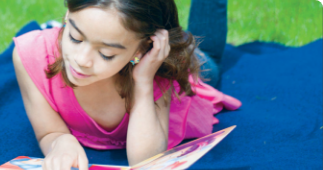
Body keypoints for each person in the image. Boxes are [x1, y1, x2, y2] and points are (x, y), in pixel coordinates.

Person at [12, 0, 241, 169]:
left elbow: (145, 161)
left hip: (177, 66)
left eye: (106, 54)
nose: (82, 61)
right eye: (75, 37)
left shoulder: (156, 69)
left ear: (142, 50)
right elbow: (49, 132)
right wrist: (60, 142)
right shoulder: (30, 56)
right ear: (67, 14)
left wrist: (143, 82)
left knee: (205, 60)